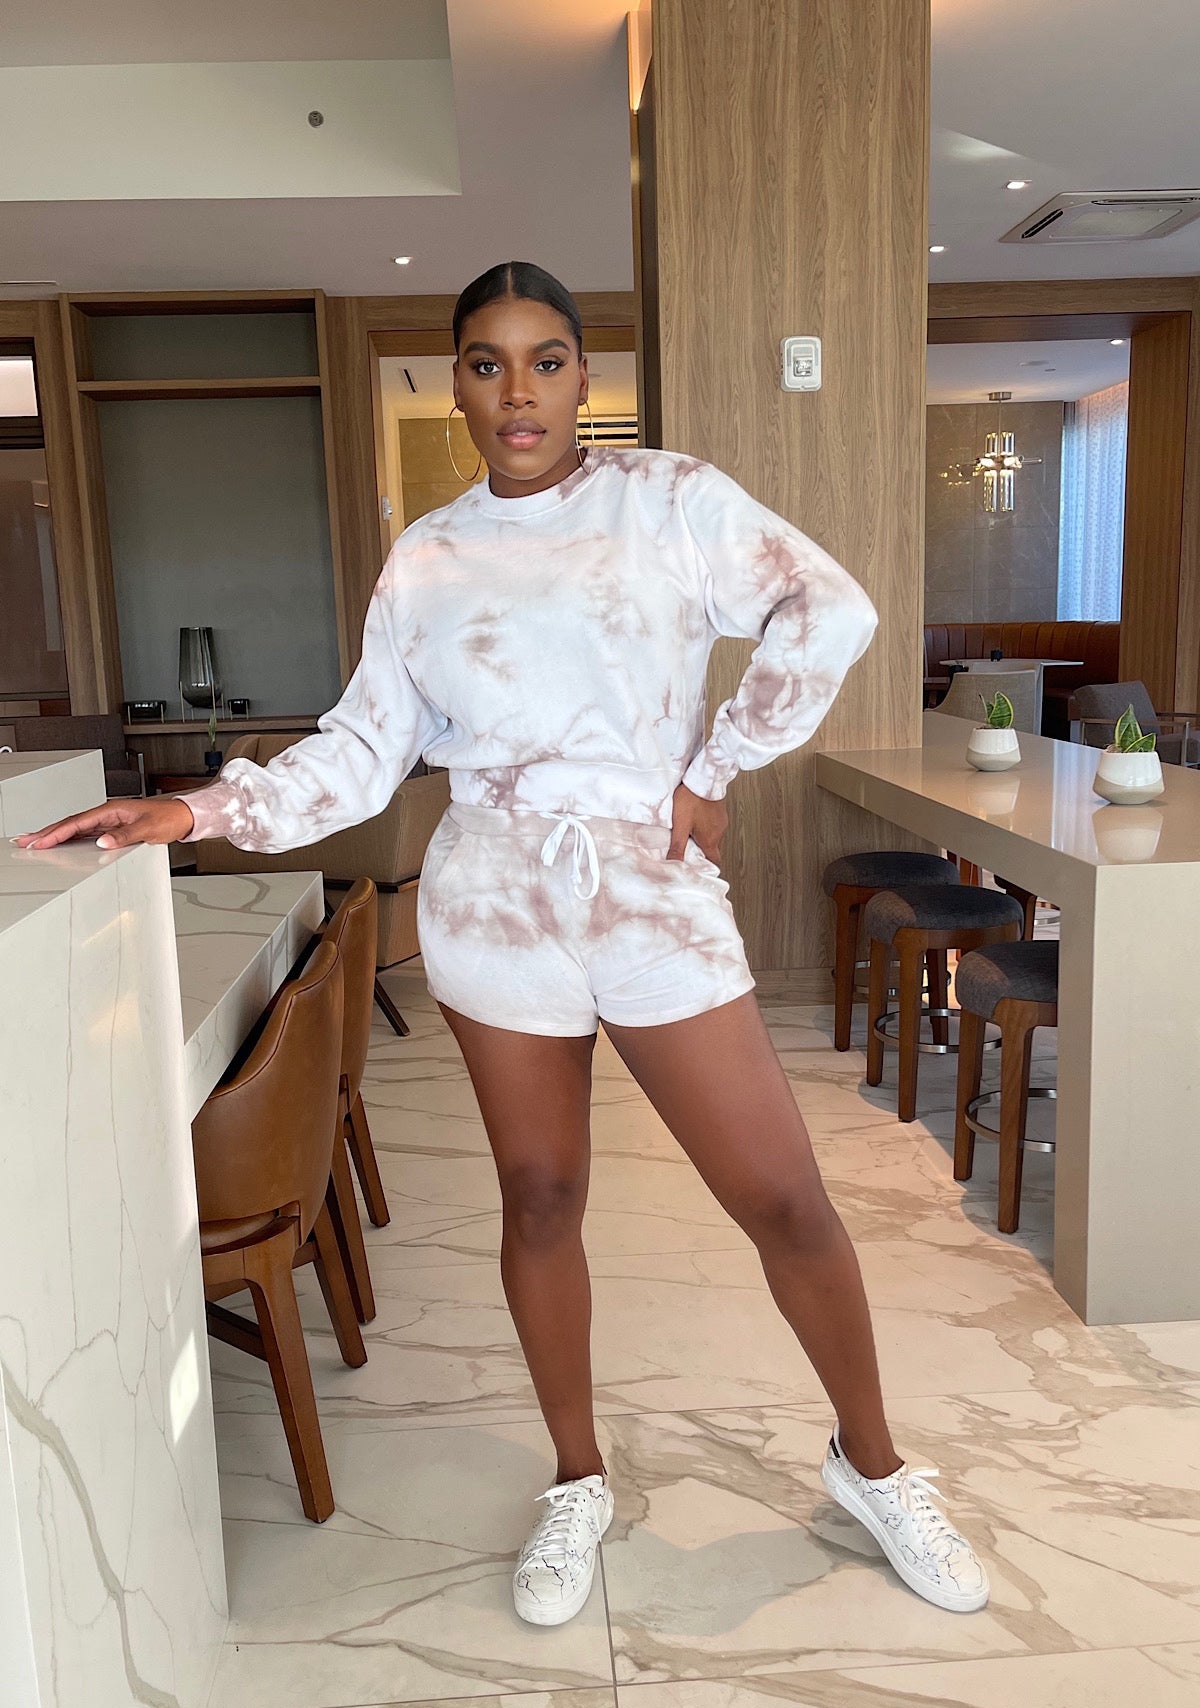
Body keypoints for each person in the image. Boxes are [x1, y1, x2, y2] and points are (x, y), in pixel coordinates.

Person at [17, 261, 988, 1626]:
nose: (517, 391)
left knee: (783, 1197)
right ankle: (577, 1478)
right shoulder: (428, 558)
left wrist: (717, 762)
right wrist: (196, 808)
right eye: (486, 363)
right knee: (539, 1197)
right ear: (460, 387)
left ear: (582, 379)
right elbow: (364, 750)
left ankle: (872, 1466)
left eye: (545, 361)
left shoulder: (668, 500)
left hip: (645, 887)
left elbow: (831, 608)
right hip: (492, 899)